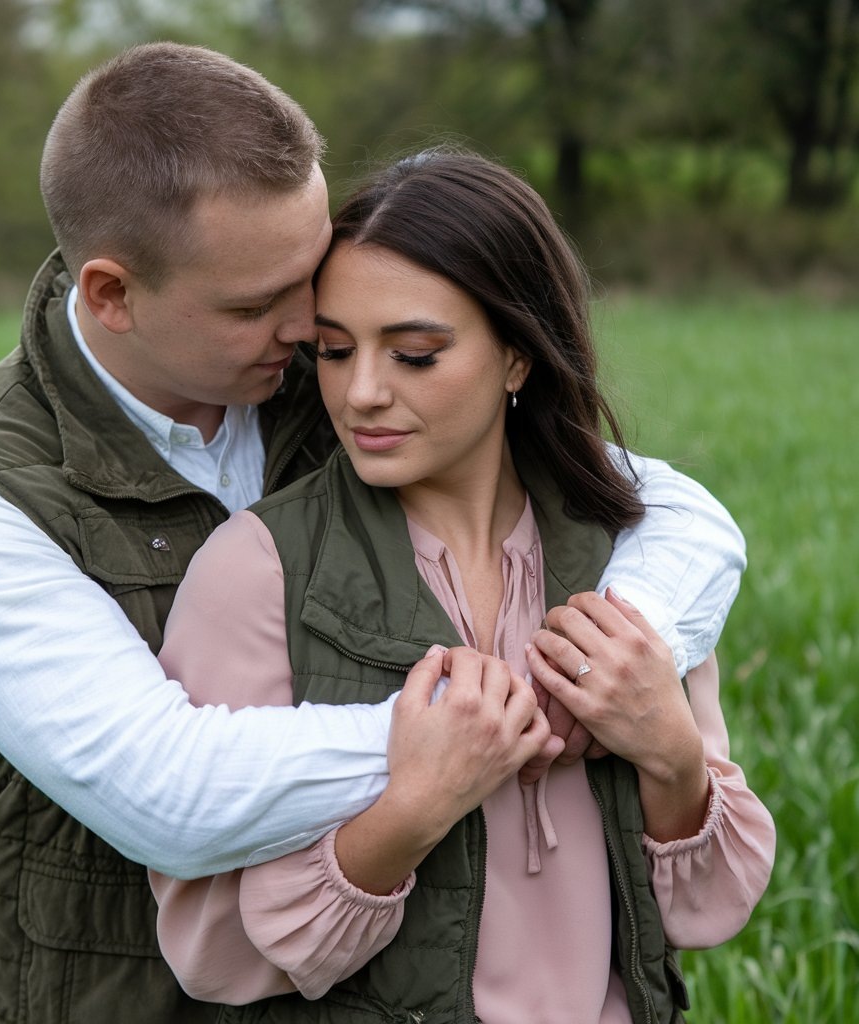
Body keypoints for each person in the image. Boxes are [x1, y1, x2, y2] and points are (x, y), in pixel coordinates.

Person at [0, 43, 747, 1024]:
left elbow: (669, 508)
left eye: (311, 275)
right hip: (108, 999)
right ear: (113, 294)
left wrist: (621, 659)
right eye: (256, 303)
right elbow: (171, 792)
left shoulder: (330, 372)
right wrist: (479, 725)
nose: (309, 327)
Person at [148, 149, 776, 1023]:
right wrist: (418, 804)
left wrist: (670, 751)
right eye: (333, 351)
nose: (362, 392)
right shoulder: (255, 574)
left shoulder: (627, 561)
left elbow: (704, 908)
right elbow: (215, 952)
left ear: (517, 357)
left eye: (413, 355)